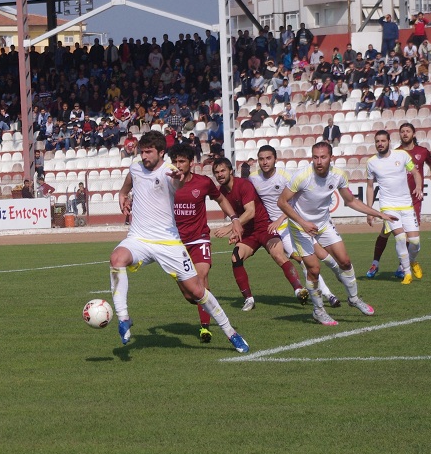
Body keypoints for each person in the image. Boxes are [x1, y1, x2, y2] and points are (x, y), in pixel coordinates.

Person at [109, 130, 249, 352]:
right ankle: (124, 318)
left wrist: (178, 180)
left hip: (169, 243)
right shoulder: (135, 167)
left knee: (197, 292)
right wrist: (122, 196)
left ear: (161, 153)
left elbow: (178, 184)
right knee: (116, 258)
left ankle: (231, 332)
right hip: (138, 238)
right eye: (141, 151)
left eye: (149, 152)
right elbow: (127, 185)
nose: (144, 156)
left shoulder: (170, 172)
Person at [277, 142, 396, 325]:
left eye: (323, 157)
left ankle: (354, 298)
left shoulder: (338, 175)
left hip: (323, 224)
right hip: (300, 228)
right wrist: (303, 222)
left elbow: (351, 201)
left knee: (345, 261)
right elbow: (282, 202)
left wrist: (378, 213)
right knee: (314, 270)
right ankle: (318, 310)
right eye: (315, 157)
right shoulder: (301, 176)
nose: (319, 161)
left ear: (330, 157)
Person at [248, 145, 341, 307]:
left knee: (323, 255)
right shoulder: (253, 178)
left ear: (275, 159)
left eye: (268, 158)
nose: (265, 162)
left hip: (294, 222)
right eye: (261, 159)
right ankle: (329, 294)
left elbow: (293, 202)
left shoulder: (285, 176)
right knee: (303, 261)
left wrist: (280, 219)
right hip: (281, 230)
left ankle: (340, 273)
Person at [211, 157, 309, 310]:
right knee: (235, 257)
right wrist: (237, 231)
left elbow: (250, 212)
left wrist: (230, 228)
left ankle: (298, 289)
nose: (220, 175)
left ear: (231, 171)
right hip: (248, 233)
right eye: (216, 172)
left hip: (264, 227)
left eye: (223, 171)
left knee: (278, 255)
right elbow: (237, 215)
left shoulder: (243, 185)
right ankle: (249, 299)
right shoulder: (222, 192)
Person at [168, 144, 243, 342]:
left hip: (199, 237)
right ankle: (207, 305)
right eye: (175, 161)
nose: (178, 165)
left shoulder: (203, 183)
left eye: (182, 161)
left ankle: (205, 327)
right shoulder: (167, 183)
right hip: (176, 243)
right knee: (189, 294)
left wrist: (234, 218)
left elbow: (220, 199)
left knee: (201, 278)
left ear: (190, 163)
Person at [367, 123, 431, 280]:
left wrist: (428, 184)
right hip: (389, 204)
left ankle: (406, 263)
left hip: (411, 200)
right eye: (402, 131)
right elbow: (370, 185)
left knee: (412, 239)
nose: (405, 134)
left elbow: (425, 169)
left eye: (408, 131)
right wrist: (370, 210)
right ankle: (383, 265)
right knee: (393, 235)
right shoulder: (384, 158)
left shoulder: (414, 153)